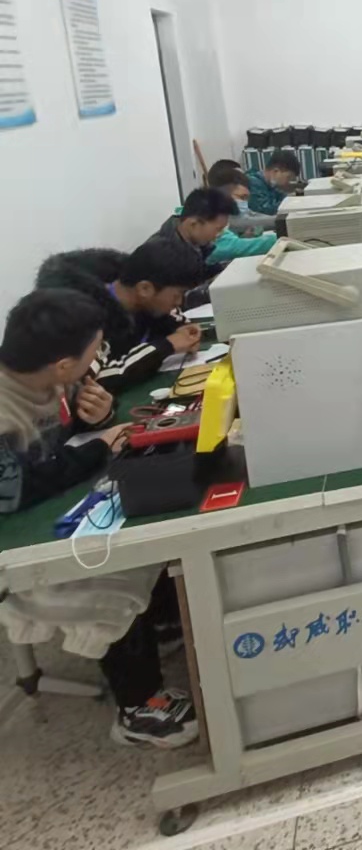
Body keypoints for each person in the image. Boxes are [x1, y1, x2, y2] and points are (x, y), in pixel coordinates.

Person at [0, 289, 198, 748]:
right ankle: (137, 707)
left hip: (56, 499)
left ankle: (160, 623)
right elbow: (12, 492)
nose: (98, 359)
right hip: (16, 549)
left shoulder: (48, 374)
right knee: (111, 570)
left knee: (150, 518)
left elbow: (62, 432)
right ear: (63, 364)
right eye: (94, 351)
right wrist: (98, 447)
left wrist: (99, 415)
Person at [36, 242, 204, 396]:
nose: (179, 302)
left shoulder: (144, 300)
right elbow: (96, 379)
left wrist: (181, 328)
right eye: (177, 295)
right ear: (144, 289)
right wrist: (166, 346)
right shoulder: (85, 318)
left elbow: (171, 316)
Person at [150, 187, 238, 287]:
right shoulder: (160, 255)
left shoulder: (194, 244)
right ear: (193, 224)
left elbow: (199, 274)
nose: (220, 234)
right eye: (218, 229)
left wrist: (226, 267)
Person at [207, 166, 279, 252]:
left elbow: (254, 216)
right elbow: (235, 245)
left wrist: (244, 237)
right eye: (242, 197)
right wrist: (283, 225)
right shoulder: (220, 218)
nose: (245, 202)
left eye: (247, 198)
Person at [246, 150, 300, 215]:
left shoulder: (270, 184)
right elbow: (264, 210)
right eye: (288, 177)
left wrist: (292, 196)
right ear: (276, 171)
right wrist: (290, 202)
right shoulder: (254, 183)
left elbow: (281, 196)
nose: (288, 182)